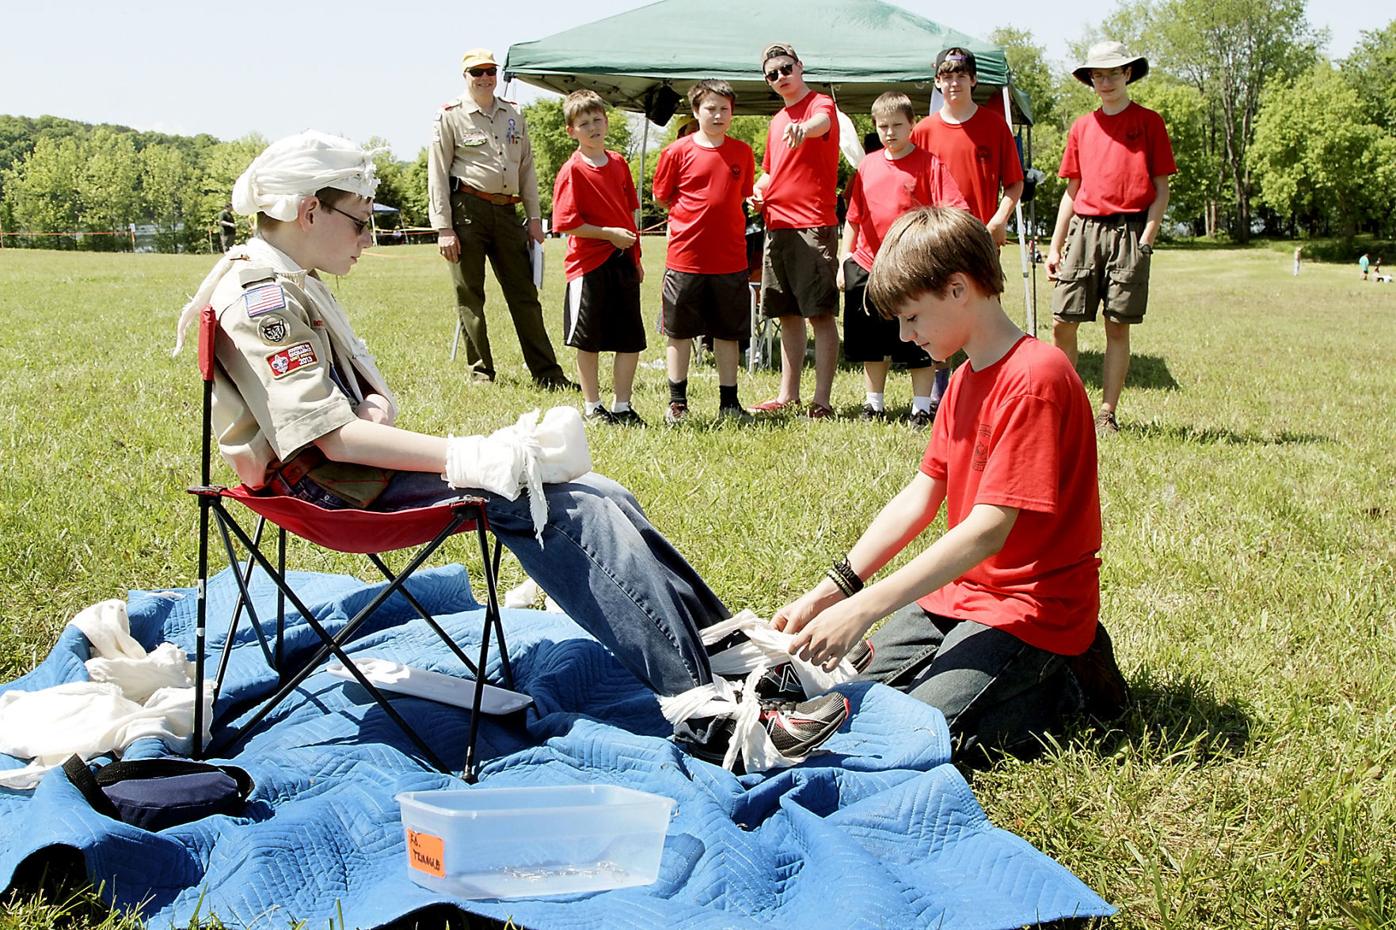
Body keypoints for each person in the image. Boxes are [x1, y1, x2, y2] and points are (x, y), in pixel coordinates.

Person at [173, 131, 848, 770]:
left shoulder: (282, 276)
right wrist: (466, 455)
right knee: (564, 509)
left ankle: (721, 650)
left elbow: (337, 414)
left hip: (346, 472)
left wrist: (381, 412)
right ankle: (707, 717)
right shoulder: (259, 291)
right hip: (334, 488)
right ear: (309, 209)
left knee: (602, 493)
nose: (367, 236)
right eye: (358, 219)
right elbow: (326, 440)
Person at [774, 206, 1128, 761]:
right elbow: (921, 494)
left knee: (906, 740)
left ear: (959, 288)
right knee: (827, 696)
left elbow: (988, 530)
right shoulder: (962, 378)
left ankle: (1070, 678)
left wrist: (866, 608)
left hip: (1032, 612)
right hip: (959, 597)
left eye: (912, 317)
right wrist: (833, 590)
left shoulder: (1037, 378)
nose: (904, 334)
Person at [1046, 41, 1176, 436]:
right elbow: (1072, 190)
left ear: (1128, 74)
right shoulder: (1082, 127)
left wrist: (1147, 239)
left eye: (1112, 73)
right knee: (1061, 322)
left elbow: (1162, 186)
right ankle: (1071, 407)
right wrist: (1055, 244)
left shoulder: (1149, 122)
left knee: (1117, 325)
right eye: (1097, 75)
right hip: (1084, 231)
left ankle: (1106, 413)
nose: (1105, 81)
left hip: (1130, 231)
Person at [428, 49, 573, 390]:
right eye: (476, 72)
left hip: (508, 211)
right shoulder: (449, 115)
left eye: (490, 70)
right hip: (467, 210)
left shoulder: (513, 115)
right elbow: (436, 172)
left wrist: (535, 218)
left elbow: (526, 169)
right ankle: (481, 372)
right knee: (471, 295)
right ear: (465, 76)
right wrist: (444, 227)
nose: (484, 77)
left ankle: (548, 374)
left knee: (524, 295)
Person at [911, 47, 1026, 421]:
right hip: (936, 243)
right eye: (945, 76)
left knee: (982, 317)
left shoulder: (994, 126)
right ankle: (938, 402)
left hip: (981, 240)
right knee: (937, 318)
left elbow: (1014, 184)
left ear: (974, 80)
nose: (953, 82)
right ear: (937, 82)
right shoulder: (923, 131)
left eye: (960, 75)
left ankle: (990, 393)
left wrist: (998, 220)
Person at [840, 92, 968, 426]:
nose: (890, 132)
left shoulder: (930, 164)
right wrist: (844, 259)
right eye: (883, 126)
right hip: (868, 265)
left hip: (913, 268)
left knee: (919, 340)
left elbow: (953, 210)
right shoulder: (867, 165)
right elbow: (854, 217)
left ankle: (921, 407)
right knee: (872, 341)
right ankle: (873, 404)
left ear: (912, 125)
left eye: (897, 125)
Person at [652, 80, 757, 425]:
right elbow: (661, 196)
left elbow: (741, 195)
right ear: (696, 111)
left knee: (728, 334)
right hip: (685, 258)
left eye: (724, 108)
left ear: (732, 112)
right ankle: (677, 402)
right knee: (679, 332)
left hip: (730, 258)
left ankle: (730, 402)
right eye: (710, 108)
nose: (718, 115)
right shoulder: (676, 152)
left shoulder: (742, 152)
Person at [748, 43, 841, 420]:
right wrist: (759, 187)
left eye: (786, 68)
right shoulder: (776, 121)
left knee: (819, 314)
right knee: (786, 313)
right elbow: (772, 170)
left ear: (800, 67)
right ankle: (789, 395)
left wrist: (803, 128)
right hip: (777, 225)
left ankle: (822, 400)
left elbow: (821, 125)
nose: (781, 77)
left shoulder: (820, 105)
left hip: (812, 224)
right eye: (772, 74)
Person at [551, 90, 647, 426]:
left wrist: (635, 256)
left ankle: (623, 405)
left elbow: (630, 212)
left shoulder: (619, 162)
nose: (592, 127)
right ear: (571, 131)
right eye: (583, 123)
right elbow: (566, 222)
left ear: (606, 122)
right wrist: (608, 233)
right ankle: (593, 407)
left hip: (622, 261)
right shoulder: (572, 170)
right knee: (588, 341)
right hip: (588, 266)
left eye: (597, 120)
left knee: (630, 338)